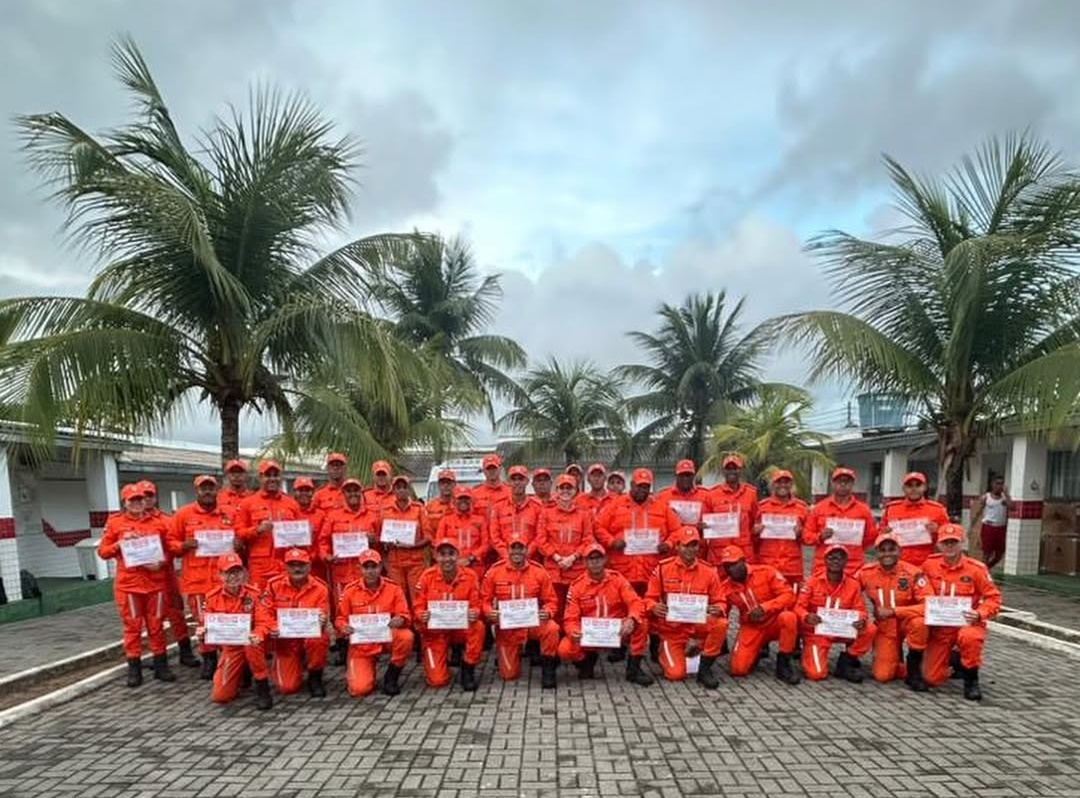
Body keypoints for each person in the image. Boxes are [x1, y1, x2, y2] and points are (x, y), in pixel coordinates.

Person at [97, 483, 176, 686]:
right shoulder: (115, 523)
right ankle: (134, 668)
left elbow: (170, 550)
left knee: (156, 626)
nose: (137, 503)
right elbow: (103, 552)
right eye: (132, 500)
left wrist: (161, 563)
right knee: (132, 628)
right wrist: (120, 543)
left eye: (140, 499)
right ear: (124, 503)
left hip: (155, 584)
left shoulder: (158, 523)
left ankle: (161, 665)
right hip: (129, 586)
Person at [921, 523, 1002, 700]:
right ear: (938, 544)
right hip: (941, 627)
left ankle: (971, 680)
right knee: (931, 678)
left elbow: (994, 598)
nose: (949, 546)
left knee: (970, 638)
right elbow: (919, 591)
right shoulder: (929, 565)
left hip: (967, 623)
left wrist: (979, 613)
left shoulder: (976, 569)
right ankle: (955, 659)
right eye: (945, 542)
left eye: (954, 542)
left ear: (962, 542)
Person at [168, 475, 238, 679]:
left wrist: (239, 543)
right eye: (203, 488)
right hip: (197, 581)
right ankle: (209, 659)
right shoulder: (183, 514)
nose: (207, 491)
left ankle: (229, 657)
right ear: (196, 490)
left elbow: (240, 537)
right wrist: (183, 545)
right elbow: (170, 543)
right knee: (203, 622)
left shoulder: (229, 513)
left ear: (217, 490)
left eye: (211, 488)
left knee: (227, 619)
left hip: (226, 580)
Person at [644, 526, 728, 689]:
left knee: (721, 623)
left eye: (694, 545)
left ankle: (705, 668)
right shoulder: (662, 569)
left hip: (697, 626)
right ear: (677, 546)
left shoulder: (709, 571)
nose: (691, 549)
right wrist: (653, 606)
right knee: (675, 674)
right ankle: (667, 651)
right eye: (686, 545)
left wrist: (718, 608)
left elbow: (720, 601)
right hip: (672, 630)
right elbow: (649, 598)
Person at [558, 543, 653, 686]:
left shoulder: (617, 579)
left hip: (618, 632)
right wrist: (574, 632)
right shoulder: (576, 586)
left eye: (598, 558)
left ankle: (634, 669)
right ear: (584, 562)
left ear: (605, 559)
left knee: (641, 622)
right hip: (589, 635)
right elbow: (570, 618)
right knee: (565, 649)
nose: (595, 562)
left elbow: (635, 602)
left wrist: (631, 619)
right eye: (591, 559)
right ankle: (586, 662)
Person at [196, 553, 273, 710]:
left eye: (237, 572)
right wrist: (203, 633)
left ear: (243, 573)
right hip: (231, 648)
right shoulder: (211, 598)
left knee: (251, 646)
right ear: (220, 575)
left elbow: (264, 621)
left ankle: (262, 687)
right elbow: (208, 627)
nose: (233, 576)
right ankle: (242, 672)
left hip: (254, 644)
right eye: (228, 572)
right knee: (220, 696)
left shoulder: (254, 594)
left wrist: (257, 634)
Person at [481, 537, 560, 687]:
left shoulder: (539, 572)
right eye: (513, 548)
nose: (517, 551)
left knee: (552, 628)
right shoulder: (495, 572)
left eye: (521, 548)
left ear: (526, 550)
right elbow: (484, 600)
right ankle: (510, 655)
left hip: (532, 624)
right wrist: (490, 612)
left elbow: (551, 600)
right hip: (507, 628)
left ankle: (548, 669)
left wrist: (548, 611)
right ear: (508, 550)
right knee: (508, 675)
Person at [319, 478, 382, 665]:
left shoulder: (372, 515)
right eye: (349, 491)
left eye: (356, 490)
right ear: (343, 494)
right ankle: (343, 647)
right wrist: (326, 555)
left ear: (361, 493)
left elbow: (382, 542)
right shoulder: (333, 516)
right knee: (342, 609)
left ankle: (371, 645)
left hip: (366, 572)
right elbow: (323, 541)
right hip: (341, 572)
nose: (353, 494)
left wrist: (374, 540)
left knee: (366, 606)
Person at [717, 545, 800, 684]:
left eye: (734, 564)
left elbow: (789, 595)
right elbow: (721, 612)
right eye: (726, 566)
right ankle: (755, 650)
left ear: (743, 561)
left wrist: (765, 608)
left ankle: (784, 664)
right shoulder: (725, 588)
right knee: (738, 669)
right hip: (752, 626)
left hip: (774, 621)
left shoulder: (766, 572)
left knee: (789, 617)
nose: (731, 569)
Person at [335, 550, 413, 697]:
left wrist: (401, 619)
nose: (370, 571)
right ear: (360, 568)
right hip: (361, 644)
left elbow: (405, 614)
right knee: (359, 689)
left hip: (386, 638)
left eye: (374, 566)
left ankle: (392, 674)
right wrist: (343, 627)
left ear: (381, 566)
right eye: (366, 567)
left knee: (406, 636)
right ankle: (366, 669)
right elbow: (340, 618)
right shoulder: (349, 591)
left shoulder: (394, 588)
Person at [139, 480, 199, 669]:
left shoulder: (167, 520)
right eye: (142, 496)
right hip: (140, 579)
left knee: (176, 613)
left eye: (150, 495)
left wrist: (163, 561)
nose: (146, 500)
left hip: (165, 575)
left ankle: (185, 651)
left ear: (155, 497)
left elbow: (174, 546)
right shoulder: (128, 523)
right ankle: (158, 656)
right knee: (151, 619)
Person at [857, 534, 929, 690]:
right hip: (885, 626)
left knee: (920, 623)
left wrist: (895, 611)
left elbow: (929, 605)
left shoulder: (914, 573)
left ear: (900, 551)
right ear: (876, 552)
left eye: (891, 549)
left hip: (908, 622)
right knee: (882, 676)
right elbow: (849, 591)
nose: (887, 554)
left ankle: (914, 667)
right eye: (882, 550)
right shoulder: (866, 572)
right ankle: (897, 660)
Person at [795, 545, 876, 682]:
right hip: (817, 632)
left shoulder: (853, 584)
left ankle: (847, 660)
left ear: (845, 561)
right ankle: (810, 652)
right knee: (816, 674)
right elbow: (798, 607)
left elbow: (861, 610)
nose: (835, 561)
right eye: (831, 558)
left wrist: (861, 619)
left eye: (840, 558)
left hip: (843, 629)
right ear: (825, 560)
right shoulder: (812, 582)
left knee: (870, 629)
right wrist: (807, 616)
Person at [413, 538, 485, 691]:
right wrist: (421, 614)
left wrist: (475, 612)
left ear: (458, 555)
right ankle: (440, 660)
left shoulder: (470, 576)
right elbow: (418, 605)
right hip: (435, 631)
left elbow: (477, 603)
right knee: (437, 681)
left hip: (460, 629)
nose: (447, 559)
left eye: (451, 554)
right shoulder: (427, 576)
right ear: (436, 556)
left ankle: (468, 667)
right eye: (442, 554)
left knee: (478, 626)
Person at [259, 548, 332, 697]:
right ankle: (293, 662)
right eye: (292, 565)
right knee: (287, 688)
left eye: (301, 565)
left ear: (309, 566)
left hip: (308, 638)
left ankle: (315, 675)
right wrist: (273, 626)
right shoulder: (273, 585)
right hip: (285, 643)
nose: (297, 569)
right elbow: (265, 613)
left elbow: (323, 614)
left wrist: (322, 619)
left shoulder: (320, 587)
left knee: (320, 638)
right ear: (285, 566)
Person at [235, 460, 304, 589]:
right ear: (260, 477)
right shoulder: (248, 503)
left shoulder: (291, 504)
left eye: (275, 475)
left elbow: (301, 536)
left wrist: (303, 535)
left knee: (285, 598)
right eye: (268, 475)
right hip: (259, 566)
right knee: (259, 598)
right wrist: (257, 529)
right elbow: (239, 533)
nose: (272, 479)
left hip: (286, 563)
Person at [536, 474, 596, 619]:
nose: (565, 491)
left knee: (575, 610)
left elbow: (588, 540)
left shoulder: (584, 515)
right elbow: (541, 540)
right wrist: (556, 557)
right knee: (555, 610)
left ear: (575, 490)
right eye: (562, 488)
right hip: (553, 571)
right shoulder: (546, 513)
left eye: (569, 488)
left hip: (576, 571)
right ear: (556, 490)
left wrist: (573, 557)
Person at [802, 467, 876, 577]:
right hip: (823, 567)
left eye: (847, 481)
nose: (843, 484)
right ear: (832, 483)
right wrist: (820, 537)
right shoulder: (819, 508)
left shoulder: (863, 510)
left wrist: (854, 543)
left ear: (852, 484)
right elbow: (806, 536)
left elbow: (871, 538)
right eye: (839, 481)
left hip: (853, 568)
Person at [754, 470, 809, 591]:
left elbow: (809, 538)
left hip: (792, 567)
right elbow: (752, 536)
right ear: (772, 485)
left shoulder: (802, 508)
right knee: (766, 597)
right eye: (778, 482)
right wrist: (756, 532)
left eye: (786, 482)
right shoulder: (761, 507)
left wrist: (801, 533)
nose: (782, 485)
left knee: (793, 598)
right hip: (767, 563)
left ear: (791, 485)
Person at [879, 472, 949, 567]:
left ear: (924, 487)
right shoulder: (892, 509)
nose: (913, 488)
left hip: (927, 563)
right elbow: (879, 535)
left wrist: (938, 530)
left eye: (918, 485)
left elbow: (949, 536)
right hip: (898, 563)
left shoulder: (937, 510)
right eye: (909, 485)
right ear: (903, 488)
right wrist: (885, 533)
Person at [381, 475, 430, 601]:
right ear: (393, 490)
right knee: (397, 598)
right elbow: (380, 537)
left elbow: (428, 538)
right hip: (394, 563)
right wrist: (385, 543)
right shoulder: (386, 511)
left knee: (417, 597)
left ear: (409, 490)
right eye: (398, 487)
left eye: (404, 487)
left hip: (415, 563)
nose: (401, 490)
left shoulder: (419, 509)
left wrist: (412, 546)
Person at [706, 454, 760, 565]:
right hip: (719, 554)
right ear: (723, 471)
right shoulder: (711, 494)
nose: (732, 472)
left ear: (740, 471)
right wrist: (703, 526)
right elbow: (704, 522)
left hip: (743, 553)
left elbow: (755, 521)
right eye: (728, 469)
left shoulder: (751, 494)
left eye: (735, 468)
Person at [491, 466, 543, 562]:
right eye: (514, 479)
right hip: (505, 561)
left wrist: (526, 554)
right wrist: (507, 555)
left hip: (531, 560)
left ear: (527, 481)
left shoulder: (537, 507)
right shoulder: (498, 507)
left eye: (520, 479)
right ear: (509, 482)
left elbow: (540, 535)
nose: (517, 482)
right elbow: (494, 536)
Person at [435, 487, 487, 581]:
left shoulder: (480, 520)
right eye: (460, 498)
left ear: (471, 500)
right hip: (451, 565)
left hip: (475, 565)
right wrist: (454, 559)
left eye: (466, 498)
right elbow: (439, 543)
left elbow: (486, 543)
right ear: (454, 501)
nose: (463, 501)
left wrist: (471, 558)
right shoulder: (445, 520)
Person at [970, 475, 1010, 570]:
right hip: (989, 527)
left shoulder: (1004, 498)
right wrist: (972, 526)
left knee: (1000, 553)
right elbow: (979, 511)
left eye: (1001, 484)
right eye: (997, 483)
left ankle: (986, 568)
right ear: (992, 484)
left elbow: (1013, 507)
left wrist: (1007, 494)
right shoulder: (986, 497)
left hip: (1001, 528)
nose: (999, 486)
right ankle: (984, 571)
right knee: (987, 553)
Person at [656, 459, 712, 527]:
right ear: (676, 476)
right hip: (674, 533)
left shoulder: (706, 495)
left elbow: (712, 519)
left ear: (693, 476)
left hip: (698, 533)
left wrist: (706, 525)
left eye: (688, 475)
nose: (685, 478)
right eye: (681, 475)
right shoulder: (663, 496)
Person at [471, 453, 513, 528]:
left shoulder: (510, 491)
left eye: (494, 468)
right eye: (488, 469)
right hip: (483, 533)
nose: (491, 471)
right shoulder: (474, 493)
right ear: (484, 470)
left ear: (500, 469)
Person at [291, 477, 325, 564]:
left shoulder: (321, 515)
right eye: (300, 490)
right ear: (294, 492)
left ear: (313, 492)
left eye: (307, 490)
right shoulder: (289, 513)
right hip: (294, 563)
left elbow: (324, 540)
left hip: (316, 563)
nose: (304, 493)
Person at [424, 469, 458, 545]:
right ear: (439, 485)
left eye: (449, 483)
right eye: (443, 483)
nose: (446, 486)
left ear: (454, 484)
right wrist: (433, 543)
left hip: (456, 547)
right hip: (436, 546)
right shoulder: (430, 505)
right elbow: (426, 529)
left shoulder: (460, 505)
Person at [217, 459, 251, 524]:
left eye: (240, 472)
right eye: (233, 472)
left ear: (246, 475)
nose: (236, 476)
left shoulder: (253, 497)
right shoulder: (218, 497)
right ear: (227, 475)